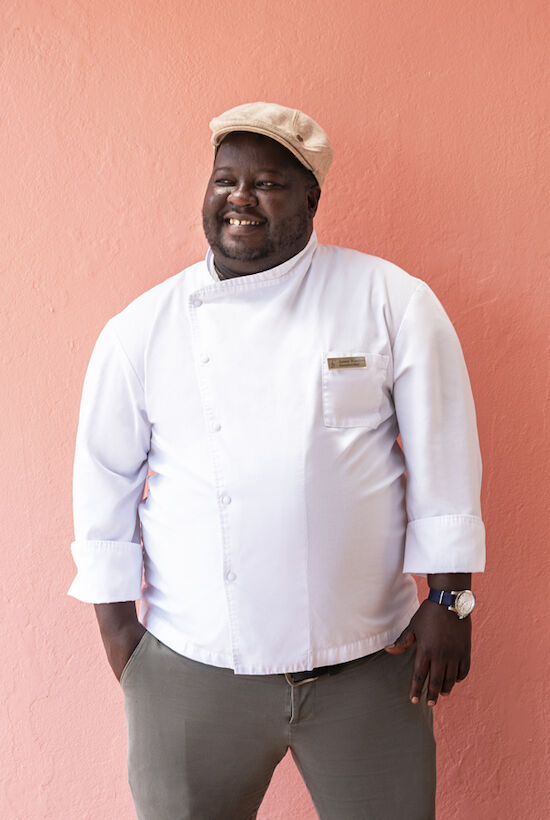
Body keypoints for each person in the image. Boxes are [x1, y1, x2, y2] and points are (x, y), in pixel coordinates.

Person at [68, 102, 485, 820]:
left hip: (370, 665)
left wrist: (451, 599)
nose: (240, 198)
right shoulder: (142, 330)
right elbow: (102, 484)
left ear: (311, 199)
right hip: (192, 669)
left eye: (267, 183)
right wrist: (123, 644)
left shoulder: (390, 299)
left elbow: (444, 453)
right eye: (225, 179)